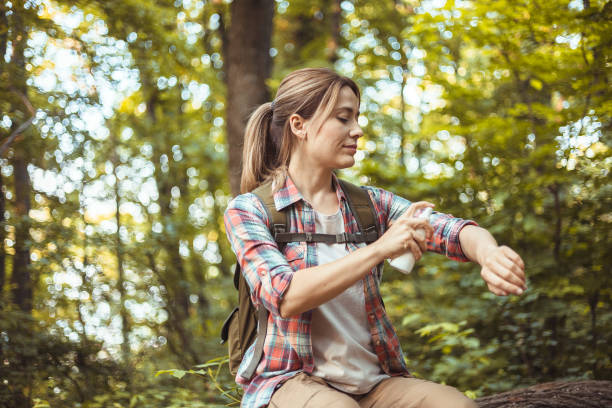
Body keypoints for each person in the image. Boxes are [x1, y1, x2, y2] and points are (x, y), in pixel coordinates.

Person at [224, 68, 526, 408]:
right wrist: (380, 249)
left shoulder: (368, 205)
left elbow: (453, 231)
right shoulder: (250, 211)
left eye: (357, 117)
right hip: (292, 380)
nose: (358, 130)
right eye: (343, 118)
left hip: (374, 384)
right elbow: (285, 296)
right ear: (299, 125)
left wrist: (490, 253)